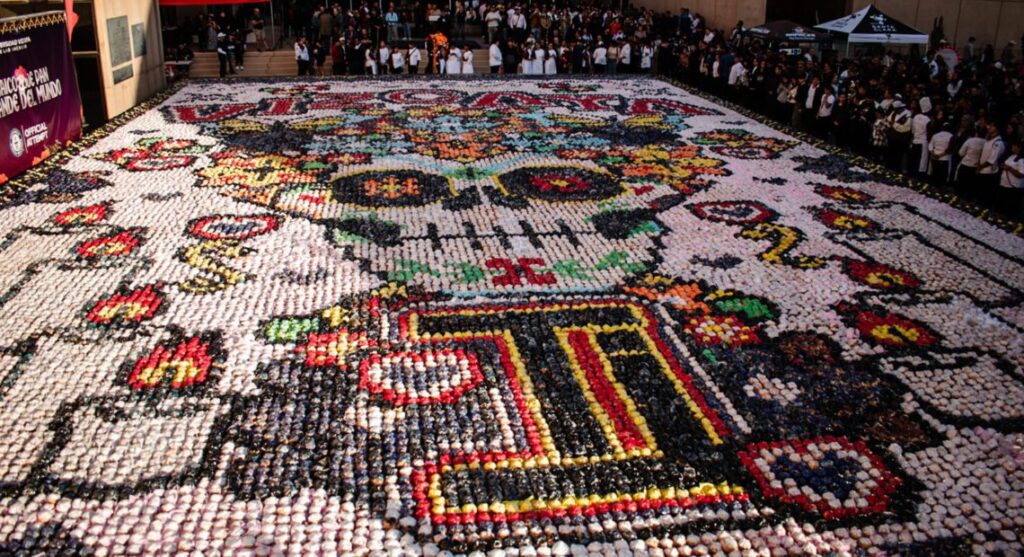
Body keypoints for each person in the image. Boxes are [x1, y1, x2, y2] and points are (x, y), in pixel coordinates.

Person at [978, 123, 1006, 206]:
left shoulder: (998, 143)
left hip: (989, 171)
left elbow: (992, 160)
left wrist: (981, 166)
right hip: (982, 169)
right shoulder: (988, 140)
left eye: (992, 126)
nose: (989, 127)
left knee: (986, 193)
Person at [956, 126, 986, 200]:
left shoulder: (970, 140)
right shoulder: (986, 143)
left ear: (976, 133)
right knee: (971, 189)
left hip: (965, 165)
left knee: (960, 188)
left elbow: (961, 153)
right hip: (976, 168)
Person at [997, 141, 1023, 216]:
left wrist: (1010, 169)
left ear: (1019, 147)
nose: (1012, 146)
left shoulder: (1022, 160)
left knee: (1010, 209)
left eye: (1014, 145)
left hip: (1013, 188)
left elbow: (1021, 174)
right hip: (1004, 185)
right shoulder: (1012, 156)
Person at [928, 123, 955, 190]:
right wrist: (940, 155)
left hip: (935, 156)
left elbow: (930, 145)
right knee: (942, 175)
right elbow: (950, 149)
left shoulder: (935, 135)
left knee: (934, 173)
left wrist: (933, 153)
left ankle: (933, 187)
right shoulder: (951, 136)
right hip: (944, 158)